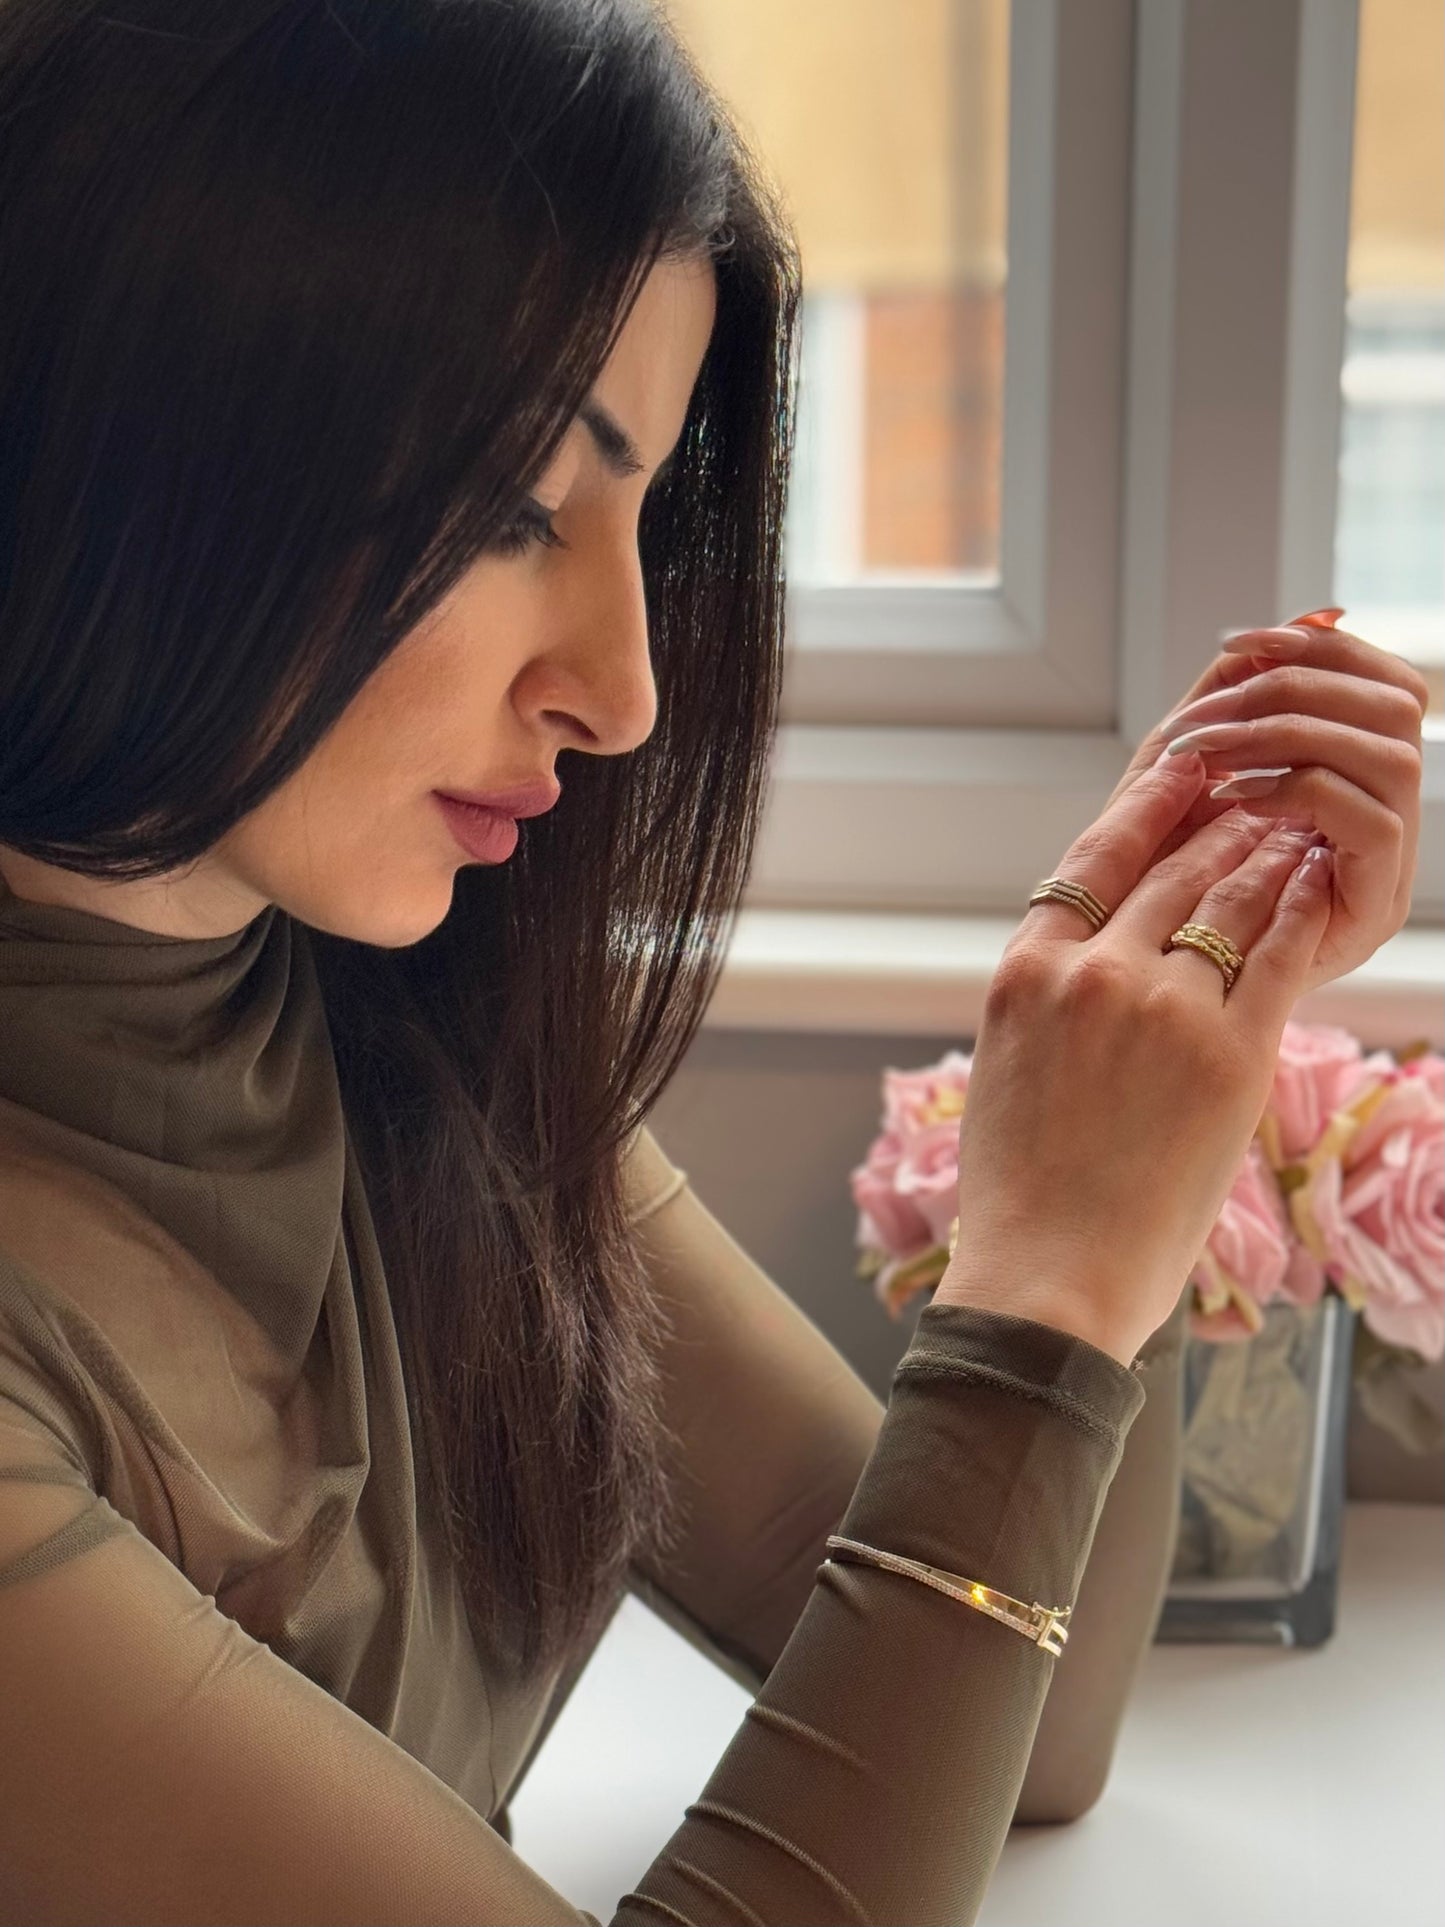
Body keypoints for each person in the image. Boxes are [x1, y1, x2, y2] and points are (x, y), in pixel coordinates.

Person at [0, 3, 1428, 1922]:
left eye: (642, 513)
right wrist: (1041, 1280)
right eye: (516, 502)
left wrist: (1146, 1049)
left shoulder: (420, 1047)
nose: (625, 694)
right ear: (140, 432)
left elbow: (1052, 1716)